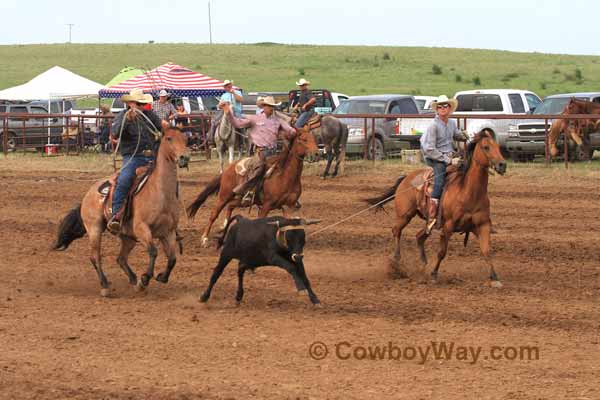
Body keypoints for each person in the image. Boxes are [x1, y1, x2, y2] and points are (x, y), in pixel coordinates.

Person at [107, 89, 168, 233]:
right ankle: (116, 215)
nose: (141, 106)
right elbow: (115, 134)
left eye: (143, 103)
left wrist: (166, 128)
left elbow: (160, 127)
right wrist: (127, 121)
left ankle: (168, 215)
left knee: (168, 180)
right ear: (130, 104)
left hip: (152, 157)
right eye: (139, 104)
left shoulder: (150, 115)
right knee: (125, 179)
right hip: (133, 157)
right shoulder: (121, 117)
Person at [223, 96, 296, 200]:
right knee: (259, 169)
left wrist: (294, 132)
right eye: (269, 106)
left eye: (272, 106)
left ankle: (286, 193)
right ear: (264, 106)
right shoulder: (254, 118)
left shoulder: (278, 120)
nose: (271, 108)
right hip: (260, 153)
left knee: (287, 168)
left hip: (274, 153)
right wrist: (228, 113)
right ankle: (246, 190)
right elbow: (237, 123)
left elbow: (290, 130)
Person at [420, 94, 467, 232]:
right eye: (439, 106)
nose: (442, 108)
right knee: (439, 181)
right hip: (436, 158)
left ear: (449, 108)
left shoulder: (451, 123)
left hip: (450, 155)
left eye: (444, 106)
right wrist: (449, 160)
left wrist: (463, 135)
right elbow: (429, 149)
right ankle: (433, 216)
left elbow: (456, 134)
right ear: (437, 109)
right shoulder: (433, 126)